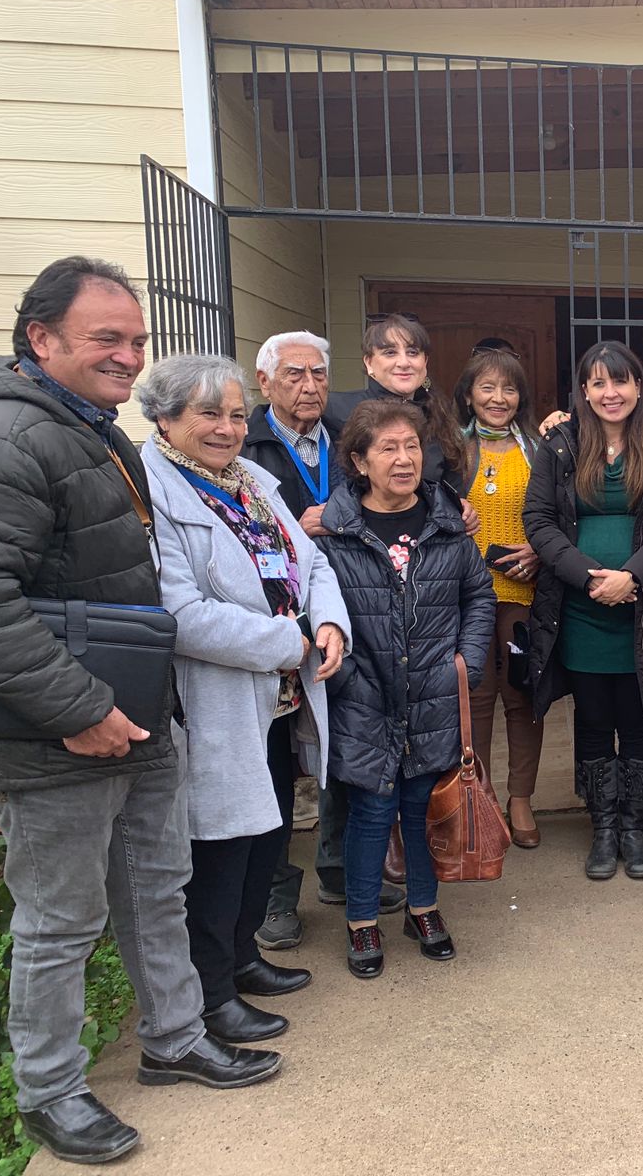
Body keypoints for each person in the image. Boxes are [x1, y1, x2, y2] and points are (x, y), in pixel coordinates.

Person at [0, 257, 279, 1166]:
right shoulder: (3, 437)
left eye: (136, 340)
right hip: (58, 728)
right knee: (59, 923)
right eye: (108, 339)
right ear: (41, 338)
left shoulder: (87, 428)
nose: (129, 356)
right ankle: (50, 1092)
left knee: (153, 890)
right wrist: (79, 708)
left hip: (131, 717)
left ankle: (175, 1039)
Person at [138, 353, 350, 1044]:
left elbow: (310, 561)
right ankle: (212, 991)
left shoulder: (252, 480)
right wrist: (288, 643)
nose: (227, 428)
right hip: (220, 695)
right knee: (221, 847)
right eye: (208, 414)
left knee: (267, 833)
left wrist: (326, 621)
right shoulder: (155, 488)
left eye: (234, 414)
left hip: (281, 696)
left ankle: (244, 956)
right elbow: (180, 612)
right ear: (166, 418)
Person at [320, 400, 496, 978]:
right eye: (388, 448)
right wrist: (345, 676)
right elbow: (313, 609)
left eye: (412, 447)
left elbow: (479, 597)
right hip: (362, 692)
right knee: (371, 811)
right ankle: (362, 920)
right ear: (359, 461)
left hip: (434, 692)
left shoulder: (447, 524)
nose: (404, 459)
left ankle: (424, 908)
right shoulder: (333, 533)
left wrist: (464, 663)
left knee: (424, 810)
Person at [243, 330, 398, 950]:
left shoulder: (344, 434)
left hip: (345, 610)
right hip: (275, 622)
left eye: (317, 375)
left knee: (344, 746)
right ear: (266, 383)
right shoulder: (246, 445)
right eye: (294, 376)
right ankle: (276, 897)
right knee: (277, 761)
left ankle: (337, 869)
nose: (308, 387)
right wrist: (300, 528)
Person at [523, 340, 643, 882]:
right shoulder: (560, 444)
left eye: (619, 381)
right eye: (597, 383)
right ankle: (602, 827)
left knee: (642, 723)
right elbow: (539, 519)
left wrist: (631, 577)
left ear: (639, 388)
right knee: (594, 722)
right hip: (581, 609)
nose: (609, 392)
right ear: (584, 391)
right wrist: (588, 577)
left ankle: (633, 829)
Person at [454, 344, 546, 848]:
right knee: (476, 696)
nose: (498, 397)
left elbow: (557, 514)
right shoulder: (450, 450)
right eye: (487, 387)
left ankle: (521, 798)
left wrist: (539, 549)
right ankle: (479, 798)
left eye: (508, 388)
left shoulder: (538, 448)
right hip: (466, 596)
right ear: (469, 395)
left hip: (524, 592)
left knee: (522, 695)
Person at [325, 312, 477, 530]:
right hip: (359, 545)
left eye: (413, 352)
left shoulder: (439, 416)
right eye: (390, 352)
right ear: (369, 362)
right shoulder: (335, 409)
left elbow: (451, 488)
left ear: (425, 362)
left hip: (428, 545)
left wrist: (461, 508)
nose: (403, 362)